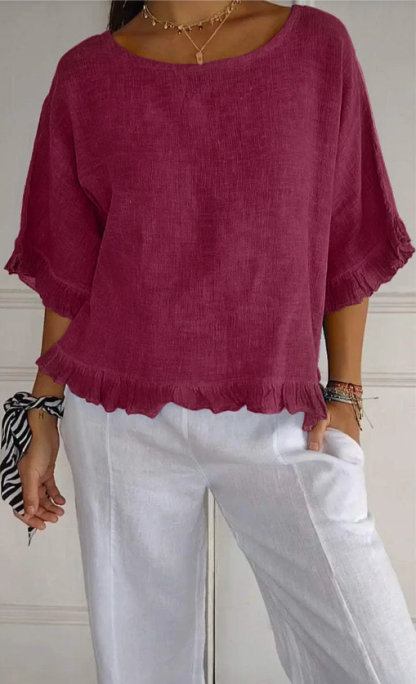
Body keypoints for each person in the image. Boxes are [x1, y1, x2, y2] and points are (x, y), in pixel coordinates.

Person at [2, 1, 416, 682]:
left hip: (281, 414)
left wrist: (345, 393)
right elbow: (69, 274)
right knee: (140, 667)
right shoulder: (85, 76)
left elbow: (350, 229)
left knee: (379, 664)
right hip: (118, 420)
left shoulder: (318, 47)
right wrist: (41, 411)